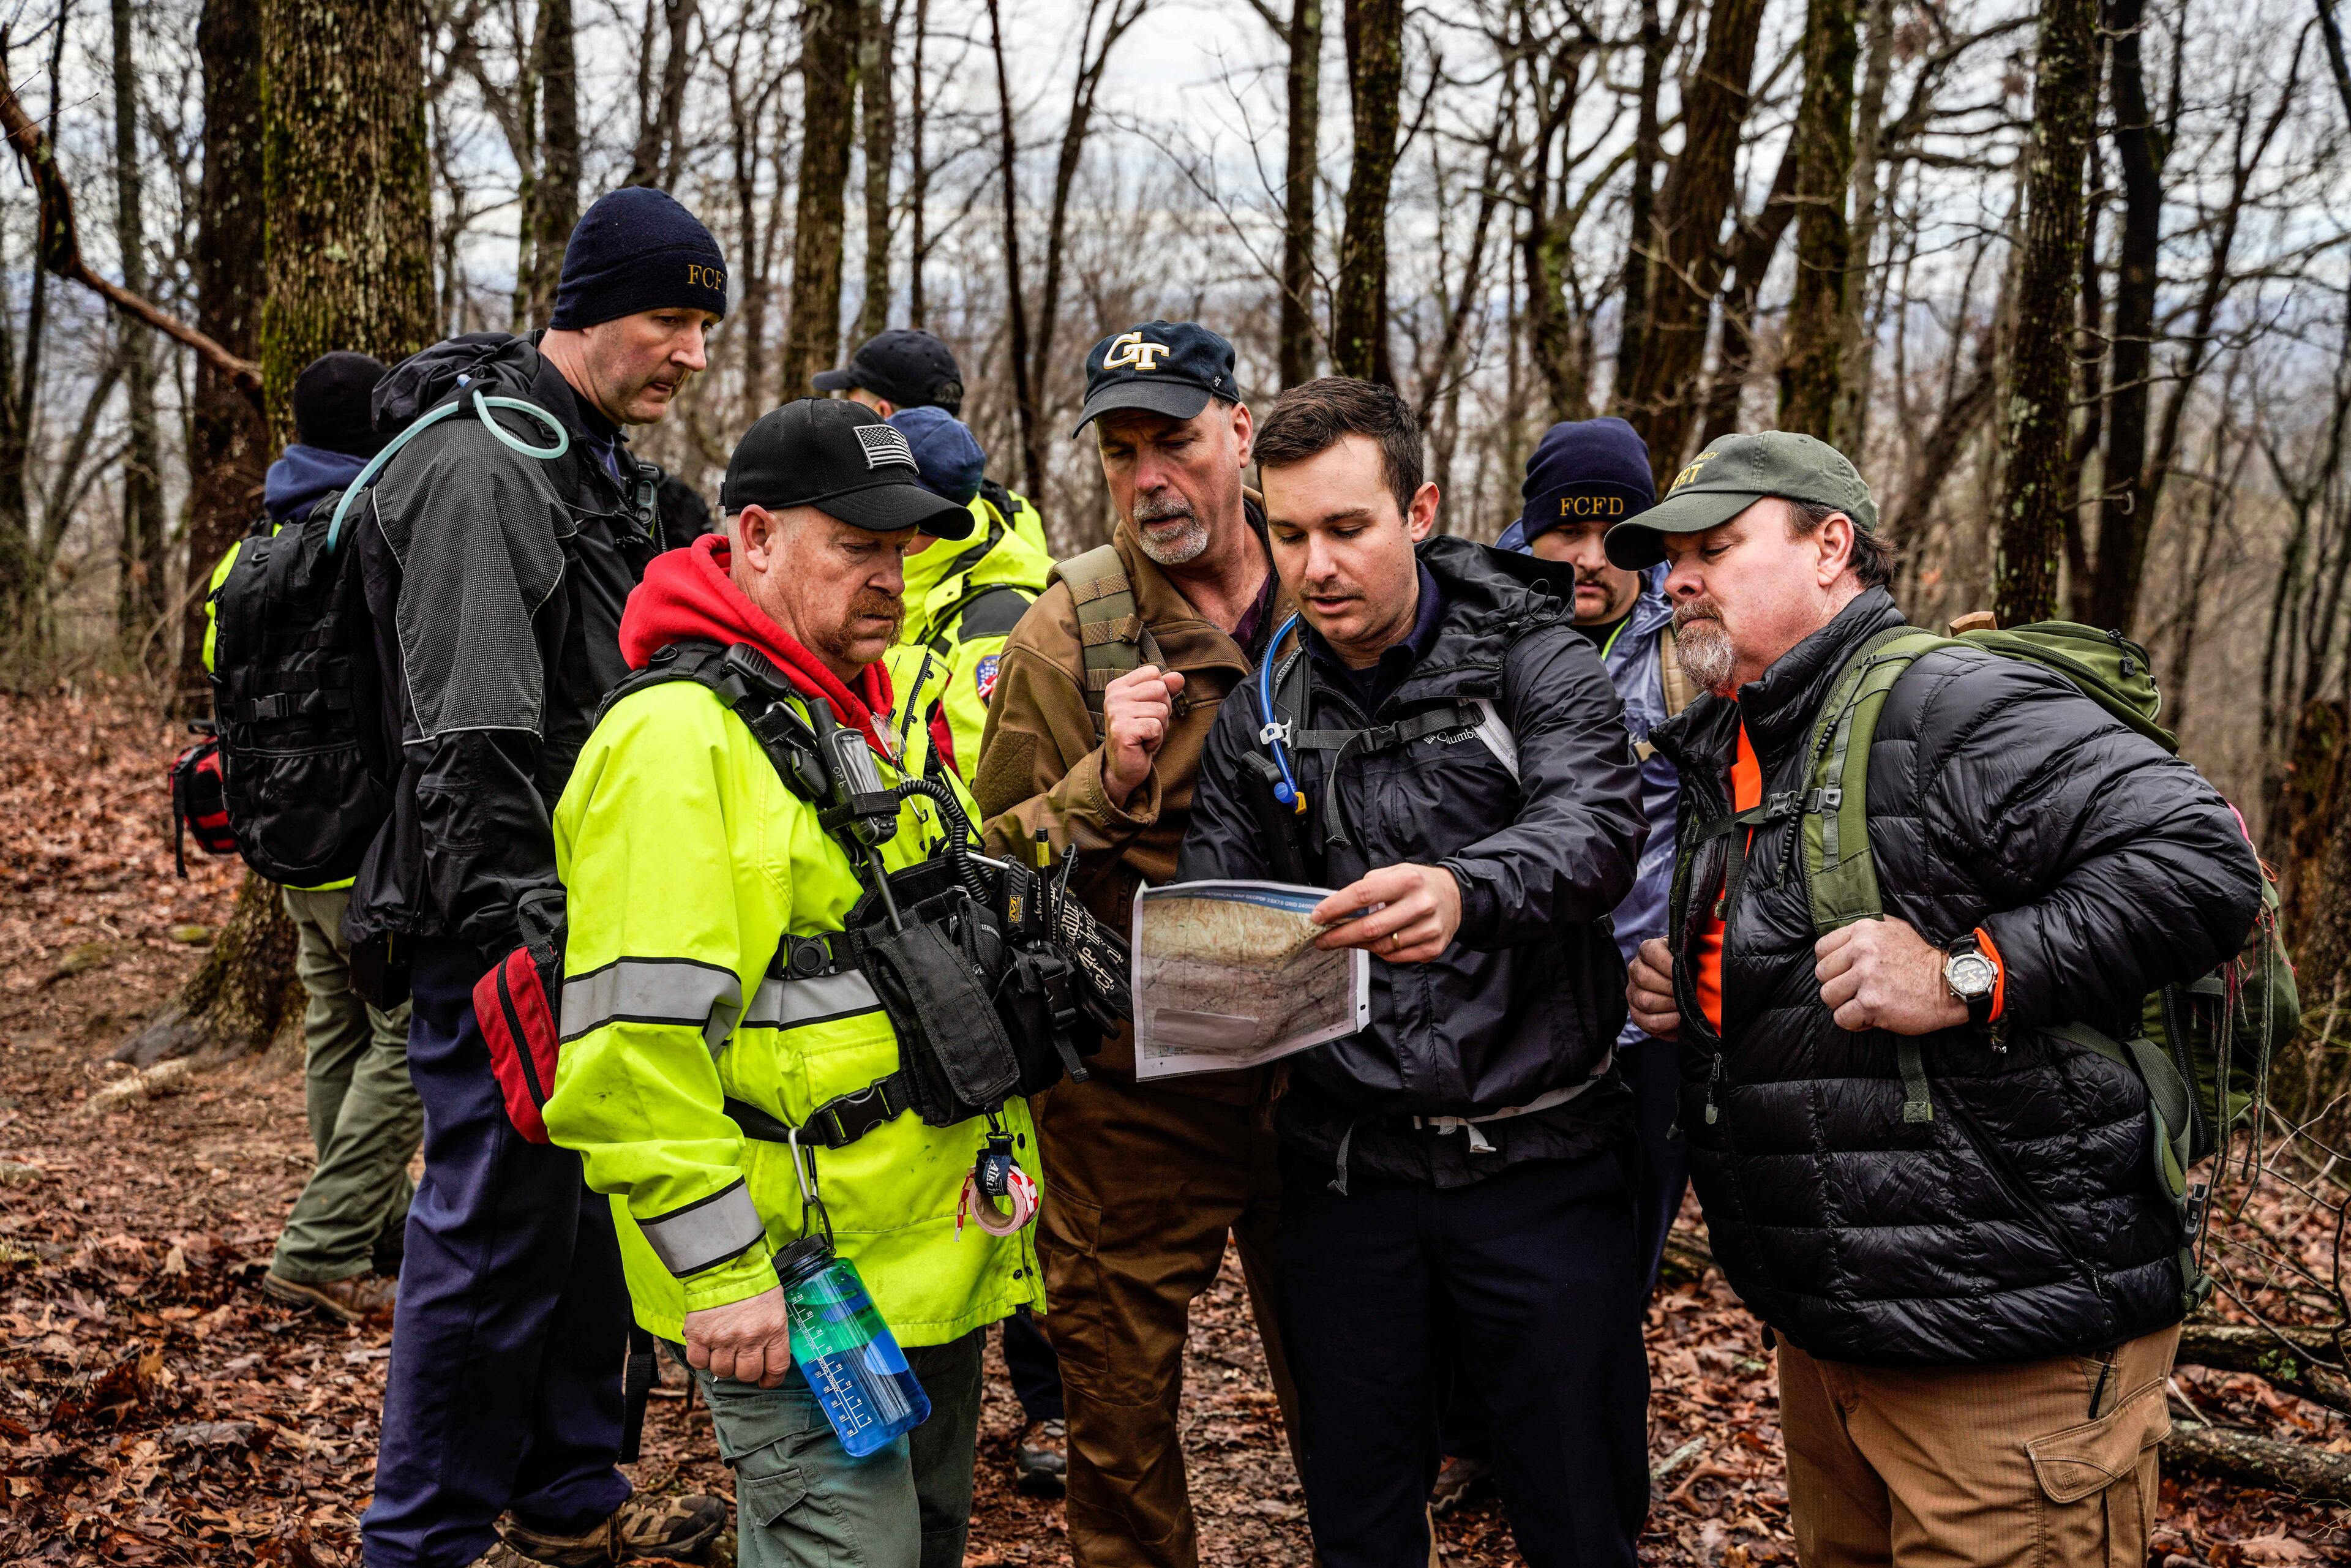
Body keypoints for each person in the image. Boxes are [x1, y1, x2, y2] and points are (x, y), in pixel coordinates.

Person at [1614, 432, 2265, 1568]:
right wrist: (1708, 986)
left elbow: (2203, 862)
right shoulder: (1745, 739)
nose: (1678, 581)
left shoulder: (1952, 701)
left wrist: (1966, 973)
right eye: (1672, 560)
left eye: (1715, 548)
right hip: (1838, 1341)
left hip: (2009, 1364)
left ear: (1831, 548)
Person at [543, 396, 1045, 1568]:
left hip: (921, 1261)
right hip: (794, 1284)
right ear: (757, 537)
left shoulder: (842, 704)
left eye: (902, 551)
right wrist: (724, 1273)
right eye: (857, 546)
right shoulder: (678, 743)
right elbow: (630, 1053)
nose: (889, 578)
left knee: (922, 1543)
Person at [1177, 378, 1651, 1568]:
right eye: (1290, 534)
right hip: (1349, 1179)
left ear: (1421, 510)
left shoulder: (1536, 656)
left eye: (1349, 527)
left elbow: (1597, 828)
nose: (1317, 565)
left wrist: (1463, 888)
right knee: (1359, 1518)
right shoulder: (1262, 707)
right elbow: (1219, 905)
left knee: (1577, 1513)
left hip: (1542, 1162)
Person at [348, 186, 729, 1568]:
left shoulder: (585, 456)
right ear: (587, 311)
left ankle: (567, 1494)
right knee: (490, 1234)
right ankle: (420, 1540)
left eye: (703, 324)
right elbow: (469, 737)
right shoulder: (483, 464)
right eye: (668, 317)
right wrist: (529, 938)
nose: (692, 352)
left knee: (578, 1226)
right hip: (499, 925)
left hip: (585, 912)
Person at [972, 320, 1305, 1568]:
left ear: (1240, 431)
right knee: (1116, 1413)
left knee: (1367, 1395)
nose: (1149, 477)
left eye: (1174, 441)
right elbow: (995, 869)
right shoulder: (1069, 632)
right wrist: (1104, 781)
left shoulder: (1332, 577)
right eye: (1120, 452)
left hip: (1330, 1074)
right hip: (1132, 1093)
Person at [1427, 418, 1686, 1513]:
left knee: (1616, 1262)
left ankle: (1596, 1471)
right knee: (1486, 1247)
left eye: (1615, 537)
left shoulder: (1693, 639)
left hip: (1647, 1018)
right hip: (1504, 1008)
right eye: (1562, 534)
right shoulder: (1469, 618)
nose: (1588, 559)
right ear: (1527, 530)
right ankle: (1477, 1441)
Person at [867, 402, 1067, 1493]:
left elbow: (1009, 784)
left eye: (913, 524)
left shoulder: (996, 616)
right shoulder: (903, 599)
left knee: (1018, 1148)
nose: (894, 543)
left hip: (982, 925)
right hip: (900, 926)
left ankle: (1051, 1401)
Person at [204, 352, 424, 1326]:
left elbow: (217, 669)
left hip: (287, 841)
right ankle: (322, 1248)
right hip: (376, 848)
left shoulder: (249, 550)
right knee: (409, 1041)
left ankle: (374, 1227)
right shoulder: (375, 533)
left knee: (339, 1027)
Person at [815, 326, 1047, 555]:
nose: (843, 415)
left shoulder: (865, 517)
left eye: (851, 404)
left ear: (882, 414)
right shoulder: (1017, 512)